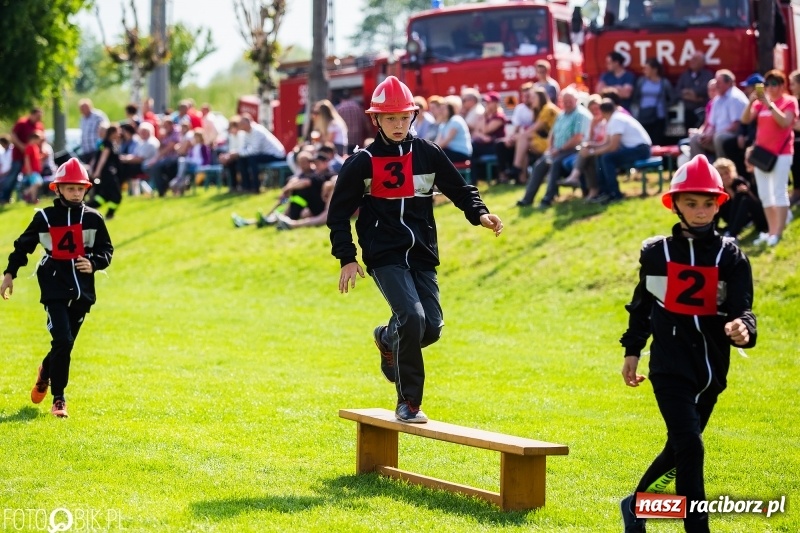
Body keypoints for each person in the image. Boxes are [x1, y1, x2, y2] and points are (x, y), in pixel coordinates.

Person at [326, 76, 503, 423]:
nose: (397, 124)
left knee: (431, 327)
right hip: (384, 255)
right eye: (389, 118)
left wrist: (480, 213)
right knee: (412, 318)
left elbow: (460, 188)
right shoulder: (362, 161)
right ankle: (409, 403)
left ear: (414, 116)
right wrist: (347, 258)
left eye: (403, 117)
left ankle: (386, 338)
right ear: (375, 119)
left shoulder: (428, 153)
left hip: (422, 254)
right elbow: (338, 214)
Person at [618, 154, 757, 533]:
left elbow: (744, 310)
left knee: (680, 450)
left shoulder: (731, 256)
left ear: (719, 203)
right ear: (675, 204)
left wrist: (742, 327)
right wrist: (632, 351)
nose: (700, 211)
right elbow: (642, 306)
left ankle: (637, 507)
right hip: (669, 368)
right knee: (691, 448)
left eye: (708, 203)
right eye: (691, 203)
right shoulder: (657, 253)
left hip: (712, 372)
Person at [1, 158, 114, 418]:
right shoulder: (44, 217)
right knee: (62, 339)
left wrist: (94, 263)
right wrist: (9, 274)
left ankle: (45, 371)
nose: (75, 193)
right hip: (53, 284)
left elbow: (106, 249)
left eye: (80, 188)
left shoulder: (94, 218)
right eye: (70, 188)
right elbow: (23, 246)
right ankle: (59, 399)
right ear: (58, 189)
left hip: (83, 290)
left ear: (86, 189)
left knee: (66, 343)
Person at [740, 69, 797, 246]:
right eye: (767, 84)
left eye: (774, 84)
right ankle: (771, 231)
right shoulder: (760, 103)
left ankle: (778, 233)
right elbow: (745, 119)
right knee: (765, 194)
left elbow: (785, 123)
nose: (770, 88)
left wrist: (770, 105)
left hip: (781, 153)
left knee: (779, 192)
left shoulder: (789, 101)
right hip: (761, 155)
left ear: (782, 86)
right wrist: (751, 102)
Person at [516, 88, 591, 208]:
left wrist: (559, 150)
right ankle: (527, 198)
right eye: (564, 101)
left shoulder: (580, 115)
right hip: (557, 150)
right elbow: (552, 133)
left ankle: (548, 198)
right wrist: (550, 149)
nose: (566, 103)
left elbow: (577, 138)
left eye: (569, 101)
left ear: (575, 100)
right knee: (540, 164)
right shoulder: (561, 114)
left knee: (554, 163)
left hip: (574, 149)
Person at [590, 99, 652, 203]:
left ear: (603, 112)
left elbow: (613, 147)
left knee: (607, 158)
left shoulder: (616, 120)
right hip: (637, 149)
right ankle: (605, 192)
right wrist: (592, 146)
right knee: (602, 156)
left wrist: (592, 152)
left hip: (641, 150)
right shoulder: (613, 119)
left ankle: (615, 193)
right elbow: (607, 143)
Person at [689, 69, 748, 159]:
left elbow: (736, 125)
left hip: (734, 135)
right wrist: (708, 134)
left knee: (718, 137)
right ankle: (702, 169)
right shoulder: (717, 100)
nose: (716, 85)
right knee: (695, 139)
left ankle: (722, 168)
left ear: (728, 83)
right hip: (717, 134)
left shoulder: (735, 98)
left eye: (719, 82)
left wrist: (714, 134)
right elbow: (712, 124)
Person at [712, 157, 767, 242]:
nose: (725, 177)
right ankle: (730, 232)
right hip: (732, 222)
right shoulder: (718, 193)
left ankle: (731, 233)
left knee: (744, 197)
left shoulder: (739, 182)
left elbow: (754, 201)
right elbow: (716, 217)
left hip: (751, 217)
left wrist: (746, 192)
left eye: (727, 173)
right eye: (721, 175)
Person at [1, 108, 44, 204]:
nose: (39, 118)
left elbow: (42, 140)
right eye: (37, 116)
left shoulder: (39, 126)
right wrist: (22, 147)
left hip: (32, 157)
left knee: (31, 180)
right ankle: (4, 197)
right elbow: (13, 135)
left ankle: (30, 198)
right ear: (32, 115)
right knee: (12, 177)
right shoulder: (22, 123)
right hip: (19, 156)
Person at [631, 57, 675, 147]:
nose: (644, 71)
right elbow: (635, 97)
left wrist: (665, 105)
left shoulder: (664, 83)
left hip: (659, 117)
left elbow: (673, 98)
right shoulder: (641, 82)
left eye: (647, 68)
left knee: (657, 141)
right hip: (643, 116)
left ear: (654, 70)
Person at [675, 52, 715, 132]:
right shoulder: (685, 75)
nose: (692, 62)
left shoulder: (707, 75)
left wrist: (690, 92)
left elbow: (705, 90)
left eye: (695, 60)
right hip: (688, 112)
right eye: (691, 59)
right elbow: (678, 91)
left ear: (702, 62)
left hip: (703, 112)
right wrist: (694, 97)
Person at [434, 95, 472, 163]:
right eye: (441, 109)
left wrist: (433, 151)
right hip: (450, 151)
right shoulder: (443, 124)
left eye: (444, 109)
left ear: (451, 109)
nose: (441, 111)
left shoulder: (456, 120)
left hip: (461, 153)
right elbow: (438, 142)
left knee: (438, 155)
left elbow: (446, 141)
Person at [78, 99, 109, 166]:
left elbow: (106, 128)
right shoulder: (82, 119)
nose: (83, 110)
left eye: (84, 108)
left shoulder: (98, 116)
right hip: (86, 151)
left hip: (97, 148)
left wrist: (102, 145)